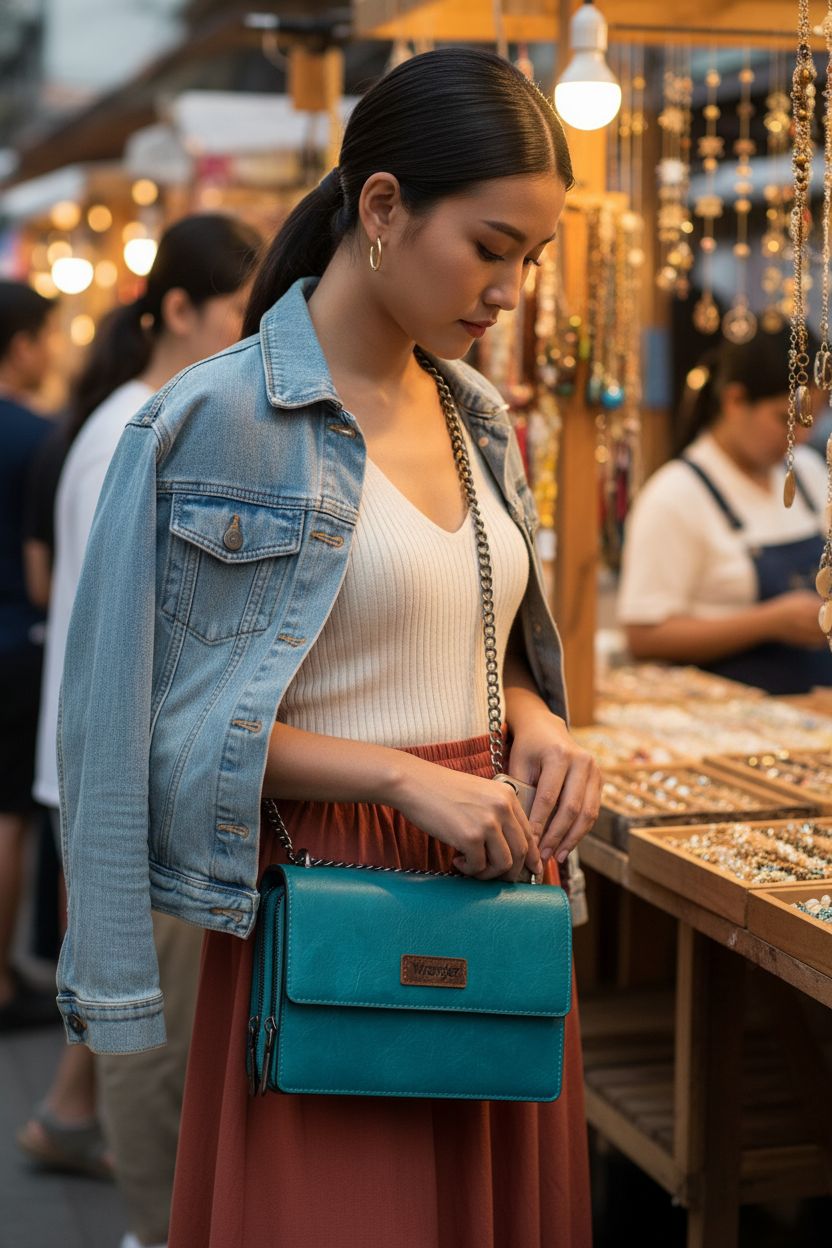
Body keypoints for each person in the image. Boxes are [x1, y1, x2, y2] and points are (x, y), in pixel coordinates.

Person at [56, 49, 600, 1248]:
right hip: (328, 898)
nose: (509, 288)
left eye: (532, 259)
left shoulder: (476, 415)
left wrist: (538, 719)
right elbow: (132, 726)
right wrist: (402, 777)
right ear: (384, 207)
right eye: (493, 246)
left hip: (490, 889)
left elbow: (478, 624)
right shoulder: (210, 422)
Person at [18, 214, 261, 1248]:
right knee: (151, 1025)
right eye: (243, 315)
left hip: (114, 762)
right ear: (178, 311)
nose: (260, 338)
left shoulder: (130, 411)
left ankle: (91, 1140)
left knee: (131, 1007)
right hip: (135, 769)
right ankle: (154, 1223)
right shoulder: (155, 420)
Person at [618, 332, 829, 696]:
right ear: (734, 401)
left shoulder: (810, 474)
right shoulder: (675, 496)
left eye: (812, 420)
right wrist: (769, 622)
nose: (802, 436)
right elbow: (644, 637)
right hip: (731, 723)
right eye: (786, 419)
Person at [0, 280, 58, 1031]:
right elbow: (45, 572)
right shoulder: (39, 436)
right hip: (15, 641)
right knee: (7, 820)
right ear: (21, 346)